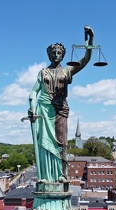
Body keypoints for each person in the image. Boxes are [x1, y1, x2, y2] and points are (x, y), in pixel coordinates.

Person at [28, 26, 94, 183]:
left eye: (59, 53)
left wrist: (90, 40)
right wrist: (32, 106)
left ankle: (60, 175)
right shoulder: (43, 72)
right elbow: (33, 92)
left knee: (61, 143)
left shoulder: (67, 71)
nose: (56, 55)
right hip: (44, 109)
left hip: (60, 110)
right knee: (44, 142)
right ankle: (45, 176)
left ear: (63, 55)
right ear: (49, 55)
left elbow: (86, 60)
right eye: (53, 52)